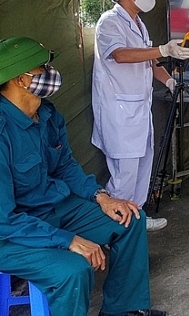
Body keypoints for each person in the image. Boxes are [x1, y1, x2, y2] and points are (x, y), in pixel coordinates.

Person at [0, 37, 166, 316]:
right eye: (42, 67)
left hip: (53, 208)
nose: (50, 72)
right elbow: (4, 220)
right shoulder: (3, 130)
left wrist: (101, 197)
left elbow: (64, 165)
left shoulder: (47, 114)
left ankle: (123, 309)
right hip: (12, 231)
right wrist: (67, 240)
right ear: (21, 79)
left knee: (129, 219)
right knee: (73, 271)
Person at [92, 0, 189, 232]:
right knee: (124, 176)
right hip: (120, 114)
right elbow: (121, 55)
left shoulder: (138, 24)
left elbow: (149, 61)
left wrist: (170, 81)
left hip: (138, 110)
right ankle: (116, 232)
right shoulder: (110, 22)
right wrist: (162, 48)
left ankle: (137, 219)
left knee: (142, 169)